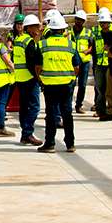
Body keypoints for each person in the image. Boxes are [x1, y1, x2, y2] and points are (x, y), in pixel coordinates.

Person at [35, 11, 77, 153]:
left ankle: (50, 144)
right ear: (63, 29)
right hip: (66, 84)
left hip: (50, 85)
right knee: (67, 114)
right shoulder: (71, 44)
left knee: (51, 114)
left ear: (50, 29)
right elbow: (77, 66)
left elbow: (38, 67)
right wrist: (71, 78)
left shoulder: (42, 45)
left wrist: (41, 79)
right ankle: (70, 144)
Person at [13, 13, 43, 145]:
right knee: (35, 107)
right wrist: (38, 78)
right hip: (29, 78)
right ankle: (27, 133)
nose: (38, 29)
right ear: (29, 28)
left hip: (19, 77)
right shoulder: (29, 42)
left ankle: (25, 134)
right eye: (36, 26)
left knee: (24, 107)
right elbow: (32, 63)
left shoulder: (18, 40)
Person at [70, 8, 92, 113]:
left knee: (82, 85)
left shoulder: (88, 32)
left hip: (84, 62)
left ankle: (78, 105)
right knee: (71, 84)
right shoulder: (69, 32)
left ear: (84, 22)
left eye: (81, 20)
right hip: (72, 62)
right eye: (77, 19)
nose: (79, 22)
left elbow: (93, 46)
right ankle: (68, 104)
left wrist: (88, 50)